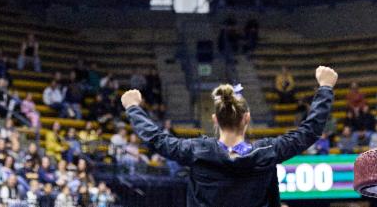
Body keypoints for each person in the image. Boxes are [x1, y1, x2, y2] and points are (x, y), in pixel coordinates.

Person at [122, 66, 338, 206]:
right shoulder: (266, 152)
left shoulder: (197, 151)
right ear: (247, 118)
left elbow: (156, 139)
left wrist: (133, 108)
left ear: (215, 119)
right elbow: (309, 131)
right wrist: (325, 88)